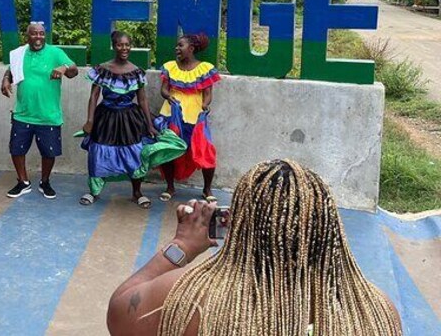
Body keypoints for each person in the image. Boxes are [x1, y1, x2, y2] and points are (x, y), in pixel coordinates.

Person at [107, 159, 403, 336]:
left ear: (239, 224)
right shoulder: (374, 311)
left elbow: (119, 313)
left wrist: (181, 246)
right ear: (328, 227)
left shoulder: (185, 298)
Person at [79, 31, 187, 208]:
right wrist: (90, 120)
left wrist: (150, 125)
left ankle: (137, 192)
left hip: (130, 119)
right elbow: (93, 97)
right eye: (120, 45)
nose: (124, 48)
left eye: (127, 44)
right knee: (98, 152)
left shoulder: (136, 72)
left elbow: (142, 99)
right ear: (114, 46)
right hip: (105, 117)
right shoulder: (102, 70)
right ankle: (94, 192)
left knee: (134, 154)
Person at [1, 22, 78, 199]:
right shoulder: (19, 53)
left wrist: (64, 68)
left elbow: (74, 71)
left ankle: (45, 181)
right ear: (27, 36)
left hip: (48, 115)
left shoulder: (55, 52)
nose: (38, 37)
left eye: (42, 34)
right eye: (34, 34)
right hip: (23, 113)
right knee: (16, 150)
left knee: (49, 152)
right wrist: (6, 79)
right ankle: (23, 182)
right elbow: (11, 69)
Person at [156, 33, 220, 202]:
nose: (177, 48)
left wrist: (205, 105)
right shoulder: (170, 67)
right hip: (171, 113)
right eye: (177, 46)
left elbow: (208, 93)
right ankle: (170, 187)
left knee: (204, 150)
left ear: (191, 49)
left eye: (180, 46)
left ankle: (207, 189)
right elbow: (164, 89)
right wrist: (167, 95)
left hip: (194, 116)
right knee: (168, 149)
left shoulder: (204, 68)